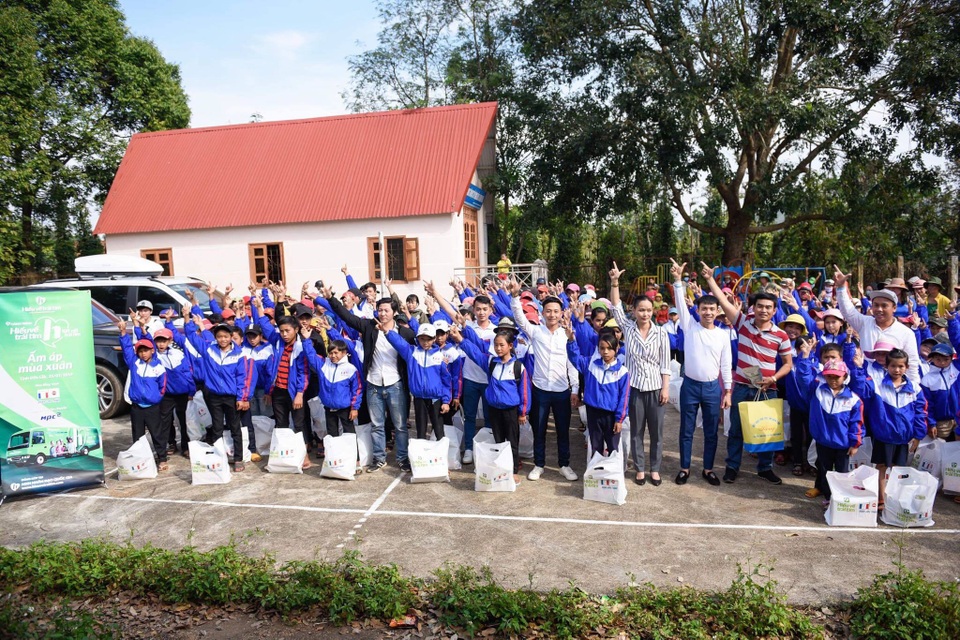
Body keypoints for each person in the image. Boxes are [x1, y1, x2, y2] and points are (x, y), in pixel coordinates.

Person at [700, 262, 793, 485]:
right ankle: (732, 467)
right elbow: (722, 301)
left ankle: (765, 468)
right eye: (759, 306)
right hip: (742, 387)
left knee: (767, 431)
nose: (763, 310)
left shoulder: (781, 335)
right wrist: (710, 279)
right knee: (736, 432)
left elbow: (788, 364)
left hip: (768, 389)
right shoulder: (742, 323)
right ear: (753, 307)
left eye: (768, 307)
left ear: (774, 310)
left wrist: (774, 378)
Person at [324, 285, 415, 472]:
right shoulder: (369, 327)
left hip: (395, 384)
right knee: (377, 425)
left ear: (394, 312)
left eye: (386, 310)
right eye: (380, 310)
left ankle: (402, 458)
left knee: (399, 425)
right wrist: (331, 298)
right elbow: (347, 317)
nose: (382, 313)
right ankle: (379, 458)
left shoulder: (404, 333)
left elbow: (416, 349)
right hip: (373, 383)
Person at [508, 278, 580, 481]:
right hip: (539, 389)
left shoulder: (567, 335)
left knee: (562, 430)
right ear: (543, 312)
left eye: (556, 311)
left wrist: (575, 389)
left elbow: (572, 363)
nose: (552, 315)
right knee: (539, 430)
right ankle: (539, 465)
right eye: (548, 311)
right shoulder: (536, 331)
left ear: (561, 313)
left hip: (561, 391)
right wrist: (515, 296)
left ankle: (564, 465)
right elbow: (520, 319)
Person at [669, 259, 732, 486]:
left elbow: (726, 365)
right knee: (686, 430)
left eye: (712, 309)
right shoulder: (690, 326)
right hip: (690, 386)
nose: (707, 312)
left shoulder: (723, 335)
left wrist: (728, 392)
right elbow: (679, 301)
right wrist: (678, 281)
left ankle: (708, 468)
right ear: (698, 310)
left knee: (711, 432)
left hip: (713, 388)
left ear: (717, 311)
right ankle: (684, 468)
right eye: (703, 308)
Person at [609, 262, 671, 485]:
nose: (645, 314)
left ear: (653, 311)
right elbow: (615, 307)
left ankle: (655, 468)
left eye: (648, 310)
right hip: (634, 388)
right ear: (634, 311)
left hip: (656, 389)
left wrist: (665, 387)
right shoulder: (628, 329)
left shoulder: (661, 333)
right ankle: (640, 469)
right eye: (641, 310)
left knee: (657, 432)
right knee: (636, 432)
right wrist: (615, 282)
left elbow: (665, 363)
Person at [425, 282, 497, 464]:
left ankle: (486, 449)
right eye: (478, 309)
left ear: (490, 310)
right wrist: (436, 293)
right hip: (470, 379)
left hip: (488, 380)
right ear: (473, 310)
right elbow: (450, 312)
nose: (481, 312)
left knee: (489, 417)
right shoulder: (468, 326)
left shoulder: (496, 331)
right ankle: (470, 449)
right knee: (470, 416)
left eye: (484, 309)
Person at [847, 347, 929, 506]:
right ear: (887, 366)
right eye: (893, 366)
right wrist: (857, 368)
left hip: (903, 438)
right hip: (884, 435)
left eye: (901, 366)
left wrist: (918, 436)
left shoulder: (915, 389)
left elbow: (921, 413)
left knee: (899, 469)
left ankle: (894, 500)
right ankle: (881, 499)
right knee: (881, 467)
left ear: (907, 367)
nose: (897, 370)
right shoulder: (877, 385)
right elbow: (860, 390)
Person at [449, 322, 530, 483]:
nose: (498, 348)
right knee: (498, 441)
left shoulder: (517, 366)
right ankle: (501, 469)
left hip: (511, 410)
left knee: (512, 442)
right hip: (494, 409)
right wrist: (460, 339)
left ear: (510, 346)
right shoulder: (492, 363)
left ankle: (513, 471)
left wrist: (523, 412)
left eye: (502, 345)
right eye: (496, 345)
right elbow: (475, 353)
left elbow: (525, 392)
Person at [794, 348, 864, 508]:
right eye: (829, 376)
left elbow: (857, 423)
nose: (833, 380)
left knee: (842, 473)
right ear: (824, 376)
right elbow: (803, 379)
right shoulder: (817, 391)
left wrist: (855, 443)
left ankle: (839, 497)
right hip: (823, 441)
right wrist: (805, 357)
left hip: (843, 444)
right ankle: (828, 497)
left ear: (845, 377)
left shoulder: (853, 399)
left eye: (837, 377)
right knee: (824, 470)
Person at [184, 318, 252, 472]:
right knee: (217, 427)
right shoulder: (209, 350)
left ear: (231, 337)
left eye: (226, 336)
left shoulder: (239, 354)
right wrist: (188, 319)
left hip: (231, 397)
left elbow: (242, 378)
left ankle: (238, 458)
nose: (223, 339)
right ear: (216, 337)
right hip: (214, 396)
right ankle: (218, 457)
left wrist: (242, 398)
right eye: (220, 336)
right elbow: (191, 336)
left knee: (235, 427)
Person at [834, 267, 921, 385]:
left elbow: (912, 364)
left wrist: (914, 389)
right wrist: (840, 288)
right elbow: (848, 311)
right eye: (876, 305)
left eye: (884, 306)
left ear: (894, 308)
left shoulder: (906, 333)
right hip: (867, 384)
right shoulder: (865, 323)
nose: (879, 309)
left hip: (895, 388)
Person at [564, 317, 630, 461]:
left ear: (617, 349)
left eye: (609, 348)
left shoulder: (622, 371)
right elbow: (575, 358)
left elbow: (624, 398)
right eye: (602, 348)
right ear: (598, 348)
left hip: (611, 415)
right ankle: (596, 475)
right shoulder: (590, 364)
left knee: (613, 448)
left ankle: (613, 477)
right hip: (593, 412)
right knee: (596, 445)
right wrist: (571, 340)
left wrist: (619, 419)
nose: (605, 352)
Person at [383, 322, 451, 441]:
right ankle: (421, 458)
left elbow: (446, 381)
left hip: (436, 399)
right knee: (421, 430)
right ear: (417, 339)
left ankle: (441, 456)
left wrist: (446, 401)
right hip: (419, 398)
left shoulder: (440, 357)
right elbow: (399, 343)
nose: (425, 342)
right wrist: (388, 332)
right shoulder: (412, 352)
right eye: (422, 339)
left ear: (434, 339)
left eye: (429, 339)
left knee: (439, 429)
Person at [117, 318, 169, 470]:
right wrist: (123, 332)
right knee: (138, 435)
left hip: (152, 406)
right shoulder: (134, 363)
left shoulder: (158, 366)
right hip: (137, 407)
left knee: (157, 433)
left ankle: (162, 458)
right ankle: (140, 459)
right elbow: (126, 348)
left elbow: (162, 385)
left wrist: (156, 397)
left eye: (146, 350)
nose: (143, 353)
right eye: (140, 351)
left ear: (152, 350)